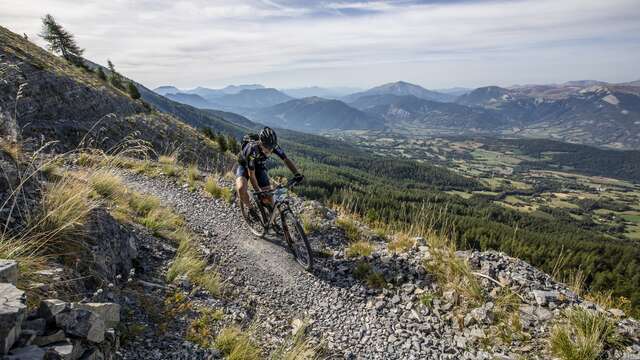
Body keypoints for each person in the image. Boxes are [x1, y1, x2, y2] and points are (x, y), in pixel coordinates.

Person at [235, 127, 303, 221]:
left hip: (259, 166)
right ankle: (250, 208)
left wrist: (297, 174)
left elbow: (286, 159)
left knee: (270, 198)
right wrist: (258, 191)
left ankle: (272, 221)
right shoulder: (252, 150)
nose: (269, 151)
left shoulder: (273, 146)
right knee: (241, 188)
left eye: (271, 148)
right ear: (260, 142)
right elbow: (251, 175)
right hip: (244, 165)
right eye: (266, 148)